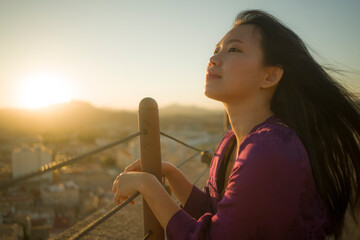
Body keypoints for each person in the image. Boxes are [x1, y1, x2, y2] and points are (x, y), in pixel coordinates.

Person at [112, 10, 360, 239]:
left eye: (233, 50)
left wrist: (148, 185)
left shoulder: (272, 148)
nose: (213, 58)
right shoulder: (231, 141)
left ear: (270, 75)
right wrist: (169, 172)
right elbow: (214, 210)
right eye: (217, 49)